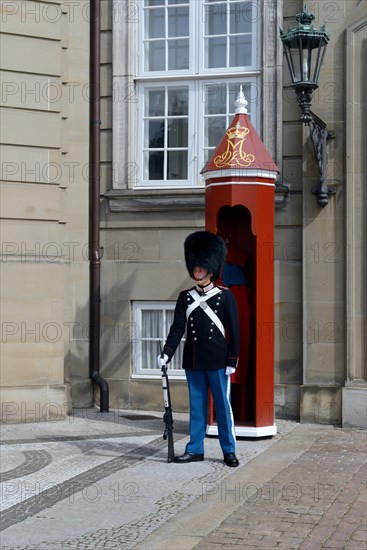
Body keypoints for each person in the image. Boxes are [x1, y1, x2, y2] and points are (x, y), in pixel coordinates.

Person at [157, 231, 240, 467]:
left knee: (223, 409)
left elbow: (234, 330)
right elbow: (177, 329)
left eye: (201, 268)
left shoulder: (224, 297)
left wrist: (232, 359)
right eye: (195, 268)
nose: (197, 272)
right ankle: (195, 449)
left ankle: (228, 450)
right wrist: (166, 353)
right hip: (193, 361)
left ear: (210, 270)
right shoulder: (185, 297)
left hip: (218, 360)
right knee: (196, 408)